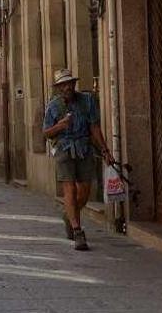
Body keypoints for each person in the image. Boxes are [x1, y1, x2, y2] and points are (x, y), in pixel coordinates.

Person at [43, 68, 113, 251]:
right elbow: (46, 133)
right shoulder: (53, 106)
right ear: (58, 88)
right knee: (70, 189)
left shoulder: (87, 101)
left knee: (85, 191)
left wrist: (105, 150)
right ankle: (78, 231)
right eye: (63, 84)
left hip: (83, 149)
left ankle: (69, 215)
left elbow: (95, 127)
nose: (67, 87)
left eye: (69, 83)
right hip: (64, 150)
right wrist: (59, 125)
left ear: (74, 84)